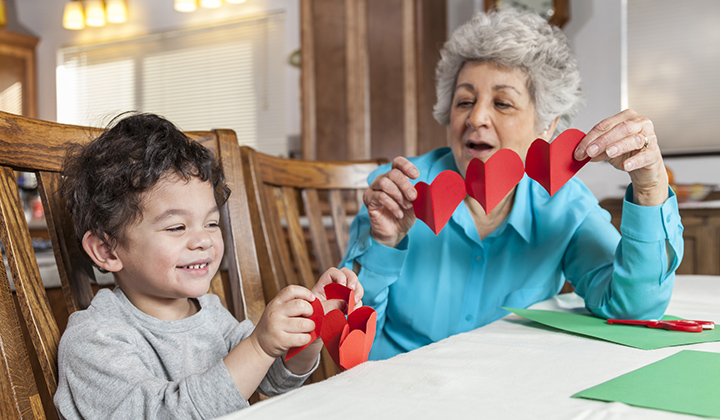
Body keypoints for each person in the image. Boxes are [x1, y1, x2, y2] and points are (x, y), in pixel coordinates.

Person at [340, 8, 683, 360]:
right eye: (465, 101)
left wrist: (649, 188)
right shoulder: (400, 194)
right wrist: (384, 244)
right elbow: (350, 345)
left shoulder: (564, 205)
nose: (476, 118)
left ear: (547, 125)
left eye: (502, 103)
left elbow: (632, 310)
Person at [54, 112, 363, 419]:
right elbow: (166, 414)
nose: (203, 240)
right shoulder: (95, 339)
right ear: (106, 249)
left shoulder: (209, 312)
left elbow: (273, 380)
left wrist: (312, 325)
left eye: (212, 223)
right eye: (177, 227)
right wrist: (258, 347)